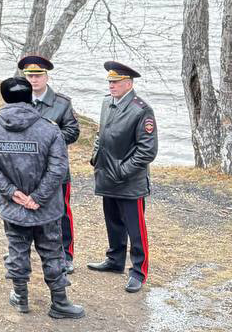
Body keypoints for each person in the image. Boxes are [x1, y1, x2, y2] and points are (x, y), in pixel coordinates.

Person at [0, 77, 86, 319]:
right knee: (52, 251)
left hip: (13, 206)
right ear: (29, 97)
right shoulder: (50, 128)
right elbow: (58, 167)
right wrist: (37, 198)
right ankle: (59, 302)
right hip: (45, 207)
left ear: (5, 98)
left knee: (17, 249)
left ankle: (21, 297)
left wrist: (12, 192)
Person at [87, 61, 158, 293]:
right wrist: (96, 156)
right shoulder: (107, 102)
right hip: (107, 175)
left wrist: (122, 171)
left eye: (116, 82)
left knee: (135, 229)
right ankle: (115, 260)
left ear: (129, 83)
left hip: (129, 181)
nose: (111, 85)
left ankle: (138, 271)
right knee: (113, 222)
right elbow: (102, 134)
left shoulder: (142, 110)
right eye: (109, 81)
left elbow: (147, 150)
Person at [18, 55, 80, 272]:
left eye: (37, 75)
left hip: (54, 168)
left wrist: (49, 138)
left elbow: (73, 132)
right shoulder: (20, 100)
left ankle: (66, 254)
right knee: (23, 210)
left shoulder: (62, 103)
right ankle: (22, 251)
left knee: (61, 211)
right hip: (26, 170)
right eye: (29, 76)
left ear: (46, 76)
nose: (33, 80)